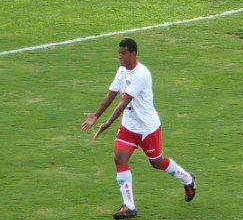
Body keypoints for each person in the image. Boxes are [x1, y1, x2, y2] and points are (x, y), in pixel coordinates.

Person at [81, 38, 196, 219]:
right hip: (129, 126)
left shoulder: (142, 74)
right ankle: (129, 206)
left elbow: (124, 101)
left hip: (147, 128)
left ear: (133, 54)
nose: (120, 56)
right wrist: (96, 115)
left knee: (156, 162)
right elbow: (110, 95)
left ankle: (188, 179)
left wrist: (108, 123)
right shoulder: (121, 71)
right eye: (118, 52)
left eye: (123, 53)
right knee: (120, 158)